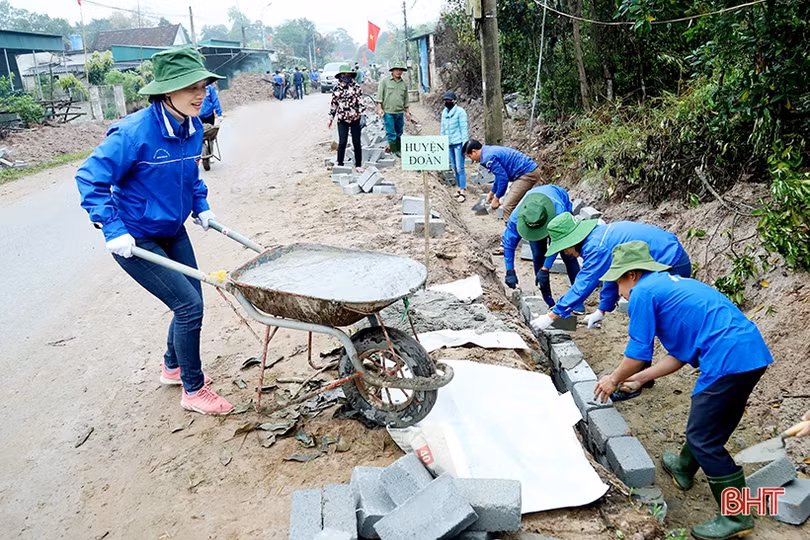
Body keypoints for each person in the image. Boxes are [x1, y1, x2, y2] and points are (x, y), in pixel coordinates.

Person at [75, 48, 233, 415]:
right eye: (191, 87)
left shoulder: (193, 128)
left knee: (191, 300)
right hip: (136, 237)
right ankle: (192, 390)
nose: (202, 94)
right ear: (166, 92)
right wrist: (112, 228)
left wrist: (201, 206)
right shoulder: (133, 134)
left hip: (173, 230)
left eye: (204, 86)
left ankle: (173, 367)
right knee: (189, 306)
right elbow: (89, 177)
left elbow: (191, 175)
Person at [593, 241, 772, 540]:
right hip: (749, 352)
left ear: (633, 275)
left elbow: (637, 353)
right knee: (709, 422)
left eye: (619, 281)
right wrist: (639, 379)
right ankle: (685, 468)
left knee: (704, 438)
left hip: (727, 358)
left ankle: (737, 515)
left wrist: (613, 379)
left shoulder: (643, 294)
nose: (619, 291)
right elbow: (677, 356)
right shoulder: (668, 286)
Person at [531, 212, 691, 399]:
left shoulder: (595, 247)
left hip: (669, 261)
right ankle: (641, 376)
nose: (565, 253)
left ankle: (635, 379)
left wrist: (552, 315)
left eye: (564, 247)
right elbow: (614, 273)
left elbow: (584, 284)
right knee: (645, 321)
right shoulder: (598, 238)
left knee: (645, 321)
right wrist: (602, 310)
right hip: (668, 254)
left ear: (573, 239)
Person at [502, 186, 585, 313]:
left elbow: (557, 242)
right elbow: (508, 243)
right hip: (536, 213)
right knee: (538, 254)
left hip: (557, 213)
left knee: (568, 255)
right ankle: (547, 300)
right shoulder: (518, 217)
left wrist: (545, 269)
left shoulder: (559, 211)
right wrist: (510, 270)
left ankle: (577, 300)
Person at [462, 140, 545, 221]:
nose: (472, 160)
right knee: (515, 203)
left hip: (527, 174)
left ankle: (512, 234)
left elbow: (503, 179)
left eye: (469, 156)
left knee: (508, 206)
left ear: (474, 152)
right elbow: (498, 176)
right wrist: (492, 193)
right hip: (525, 171)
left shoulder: (488, 158)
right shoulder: (487, 151)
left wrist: (497, 198)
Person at [328, 64, 364, 173]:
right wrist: (330, 118)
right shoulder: (336, 88)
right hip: (342, 119)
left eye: (348, 74)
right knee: (342, 142)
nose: (346, 76)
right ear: (340, 76)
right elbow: (334, 104)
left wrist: (362, 115)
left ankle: (358, 164)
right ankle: (340, 164)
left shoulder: (356, 86)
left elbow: (361, 101)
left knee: (356, 142)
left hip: (355, 118)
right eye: (344, 74)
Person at [439, 91, 469, 202]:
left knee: (460, 167)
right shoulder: (444, 113)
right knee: (454, 167)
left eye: (449, 100)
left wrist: (465, 145)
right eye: (445, 100)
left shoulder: (461, 112)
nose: (447, 102)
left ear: (454, 101)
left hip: (458, 143)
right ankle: (458, 187)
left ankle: (463, 190)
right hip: (449, 143)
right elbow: (442, 129)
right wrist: (442, 141)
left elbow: (464, 128)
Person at [376, 63, 410, 156]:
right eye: (396, 70)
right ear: (392, 71)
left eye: (400, 70)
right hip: (388, 111)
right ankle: (395, 150)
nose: (398, 72)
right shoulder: (385, 82)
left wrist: (407, 112)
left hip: (399, 111)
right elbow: (380, 96)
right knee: (391, 132)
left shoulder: (403, 84)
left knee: (399, 132)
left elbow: (406, 99)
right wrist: (380, 108)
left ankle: (395, 147)